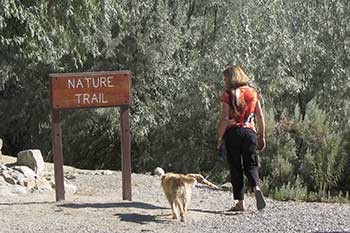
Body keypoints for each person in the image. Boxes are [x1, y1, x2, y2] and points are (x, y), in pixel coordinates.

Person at [217, 65, 266, 211]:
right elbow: (260, 116)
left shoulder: (227, 94)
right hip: (249, 133)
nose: (225, 82)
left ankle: (240, 203)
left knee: (236, 168)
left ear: (231, 78)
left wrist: (219, 138)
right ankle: (256, 187)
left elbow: (225, 118)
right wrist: (262, 136)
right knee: (251, 164)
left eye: (226, 78)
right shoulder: (253, 92)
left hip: (233, 134)